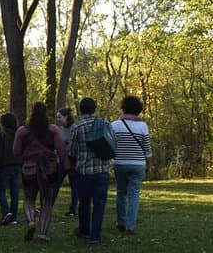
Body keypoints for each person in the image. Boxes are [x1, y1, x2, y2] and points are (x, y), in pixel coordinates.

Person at [13, 101, 68, 242]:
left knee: (29, 199)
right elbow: (61, 151)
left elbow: (16, 151)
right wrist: (67, 166)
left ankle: (31, 221)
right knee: (47, 202)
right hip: (49, 170)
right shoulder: (53, 130)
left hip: (29, 169)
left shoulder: (22, 131)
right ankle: (43, 232)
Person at [69, 97, 112, 244]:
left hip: (84, 171)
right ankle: (95, 236)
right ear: (95, 108)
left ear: (80, 109)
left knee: (84, 202)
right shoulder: (104, 123)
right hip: (102, 170)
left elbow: (71, 151)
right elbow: (112, 143)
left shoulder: (77, 127)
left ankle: (85, 230)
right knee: (100, 204)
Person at [112, 95, 152, 235]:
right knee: (134, 194)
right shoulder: (143, 126)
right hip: (138, 164)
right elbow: (147, 149)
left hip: (120, 163)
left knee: (121, 192)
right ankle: (131, 226)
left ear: (123, 108)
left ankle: (121, 222)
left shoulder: (114, 125)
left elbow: (111, 147)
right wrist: (148, 165)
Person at [0, 112, 21, 225]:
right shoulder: (18, 135)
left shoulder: (2, 136)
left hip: (4, 167)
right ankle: (13, 216)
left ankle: (6, 212)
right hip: (17, 166)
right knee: (15, 191)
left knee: (1, 190)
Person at [55, 107, 78, 216]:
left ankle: (72, 209)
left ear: (66, 116)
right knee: (56, 183)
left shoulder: (74, 128)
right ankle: (47, 206)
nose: (58, 119)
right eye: (57, 117)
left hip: (73, 160)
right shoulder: (60, 129)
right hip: (62, 160)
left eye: (60, 117)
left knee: (74, 185)